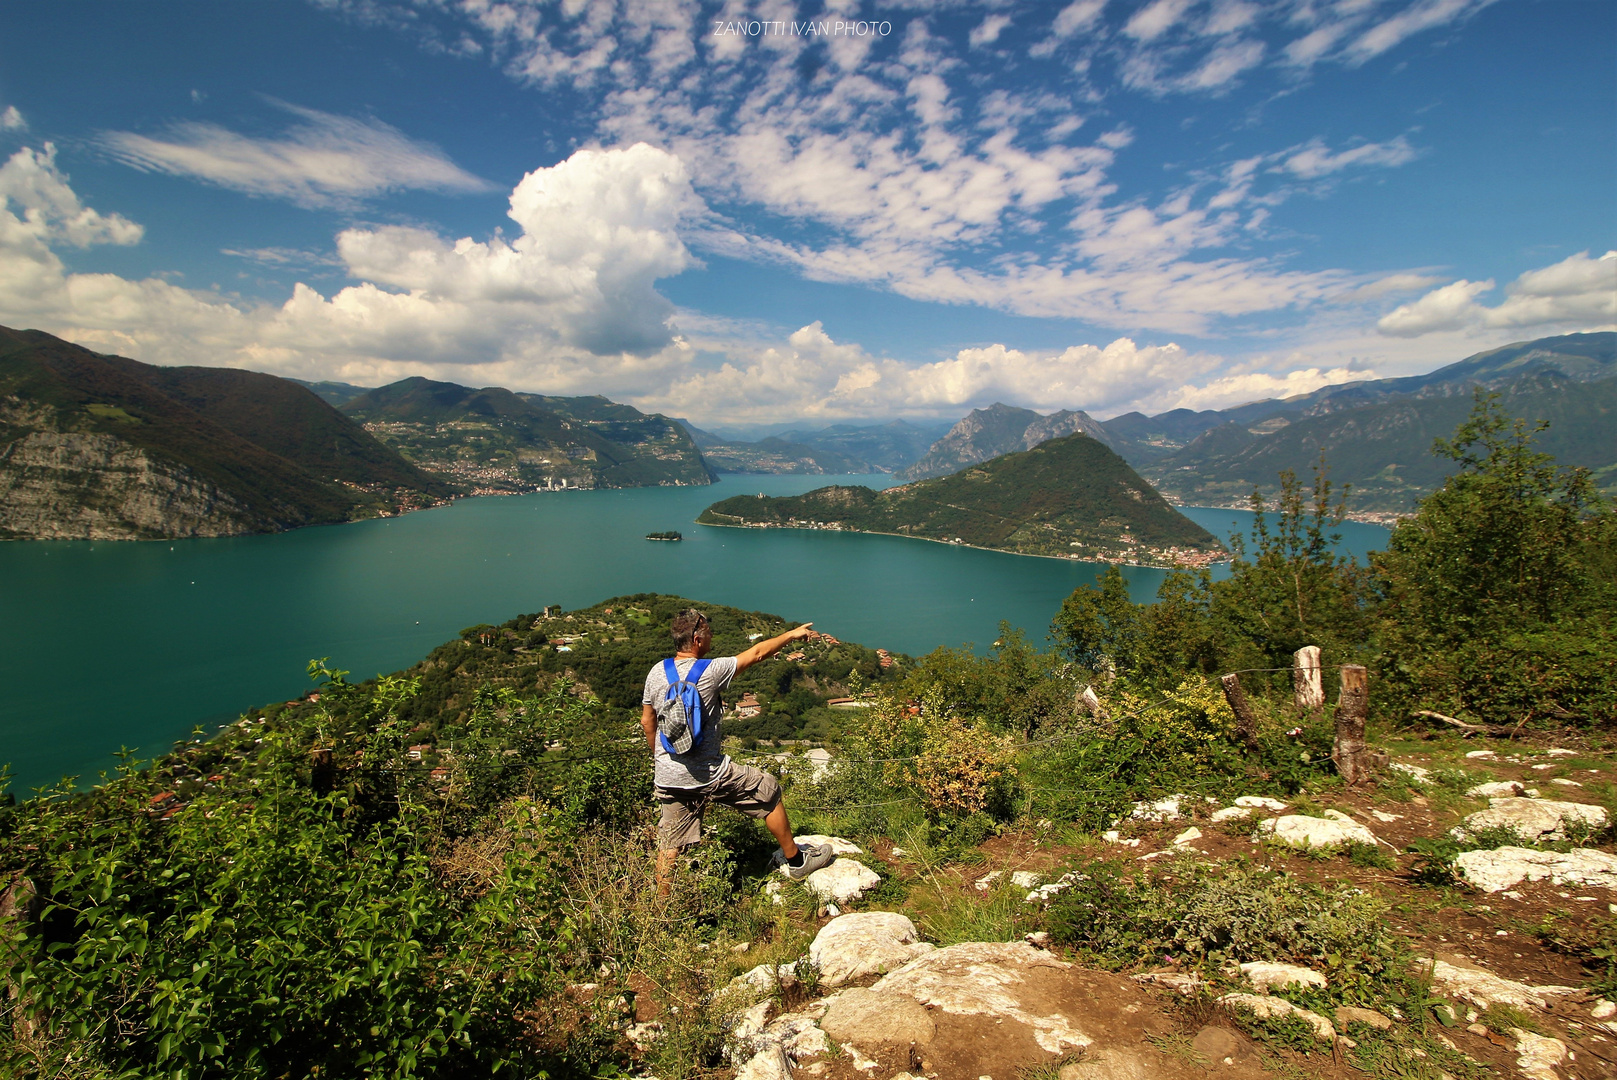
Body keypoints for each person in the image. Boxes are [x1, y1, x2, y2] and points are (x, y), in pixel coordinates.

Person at [642, 607, 833, 895]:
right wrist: (792, 634)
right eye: (707, 633)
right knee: (767, 789)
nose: (711, 638)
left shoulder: (657, 671)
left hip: (668, 776)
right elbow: (757, 653)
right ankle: (797, 861)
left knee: (671, 842)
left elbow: (648, 722)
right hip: (709, 773)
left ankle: (660, 910)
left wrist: (661, 760)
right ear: (696, 640)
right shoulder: (710, 670)